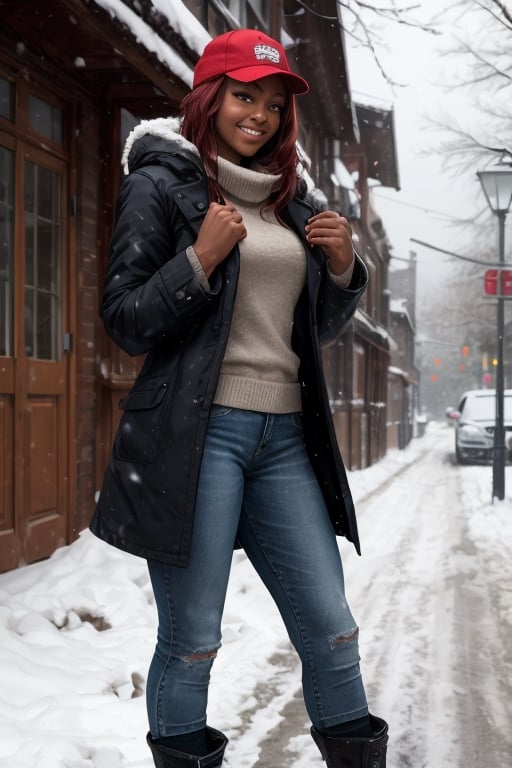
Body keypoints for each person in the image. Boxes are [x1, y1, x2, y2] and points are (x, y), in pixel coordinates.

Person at [90, 28, 388, 768]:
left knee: (332, 627)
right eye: (244, 95)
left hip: (286, 440)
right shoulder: (160, 184)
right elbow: (125, 319)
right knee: (193, 640)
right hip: (198, 439)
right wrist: (199, 261)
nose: (260, 114)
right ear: (211, 97)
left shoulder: (295, 204)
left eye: (275, 103)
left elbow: (310, 328)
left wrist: (347, 269)